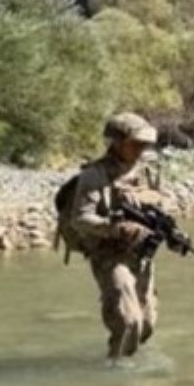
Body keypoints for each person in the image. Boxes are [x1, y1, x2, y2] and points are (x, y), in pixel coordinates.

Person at [70, 113, 168, 361]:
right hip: (109, 254)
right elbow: (80, 219)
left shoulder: (147, 170)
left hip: (142, 252)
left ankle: (127, 360)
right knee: (127, 321)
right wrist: (116, 228)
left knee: (146, 324)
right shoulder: (94, 176)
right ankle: (116, 372)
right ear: (116, 142)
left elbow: (162, 202)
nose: (141, 149)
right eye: (135, 144)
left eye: (145, 144)